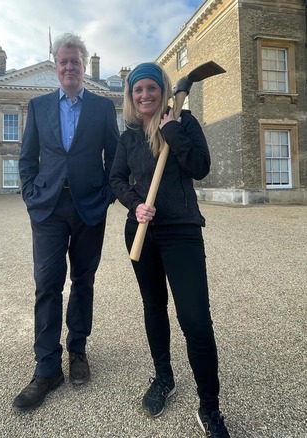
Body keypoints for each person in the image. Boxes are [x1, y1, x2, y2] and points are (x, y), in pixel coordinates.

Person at [109, 62, 230, 437]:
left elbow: (200, 167)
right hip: (141, 232)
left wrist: (173, 131)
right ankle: (164, 377)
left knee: (196, 320)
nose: (144, 95)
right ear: (131, 96)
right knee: (153, 306)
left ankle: (210, 408)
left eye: (151, 88)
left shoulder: (184, 122)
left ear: (163, 90)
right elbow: (116, 178)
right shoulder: (129, 136)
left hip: (182, 231)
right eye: (138, 89)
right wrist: (135, 204)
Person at [15, 33, 119, 411]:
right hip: (48, 208)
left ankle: (77, 351)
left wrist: (107, 195)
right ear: (55, 66)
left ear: (84, 65)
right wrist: (31, 195)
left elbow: (115, 157)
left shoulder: (103, 108)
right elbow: (27, 157)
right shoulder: (38, 105)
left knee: (83, 281)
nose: (70, 67)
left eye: (76, 61)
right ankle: (46, 367)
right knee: (47, 284)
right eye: (64, 61)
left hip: (90, 206)